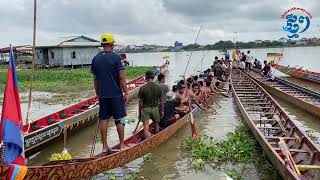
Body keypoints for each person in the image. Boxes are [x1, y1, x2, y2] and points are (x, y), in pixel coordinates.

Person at [91, 33, 128, 152]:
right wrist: (126, 92)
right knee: (120, 119)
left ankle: (104, 146)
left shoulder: (95, 58)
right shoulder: (117, 58)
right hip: (116, 94)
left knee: (104, 119)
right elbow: (121, 77)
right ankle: (122, 145)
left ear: (102, 45)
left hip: (103, 95)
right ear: (111, 44)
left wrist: (97, 92)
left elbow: (95, 79)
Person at [138, 70, 164, 139]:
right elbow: (161, 100)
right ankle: (157, 139)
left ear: (146, 78)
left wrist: (140, 112)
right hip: (155, 108)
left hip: (145, 109)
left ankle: (147, 141)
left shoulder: (142, 88)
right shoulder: (158, 87)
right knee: (156, 124)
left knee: (146, 126)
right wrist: (162, 110)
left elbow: (140, 102)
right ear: (153, 77)